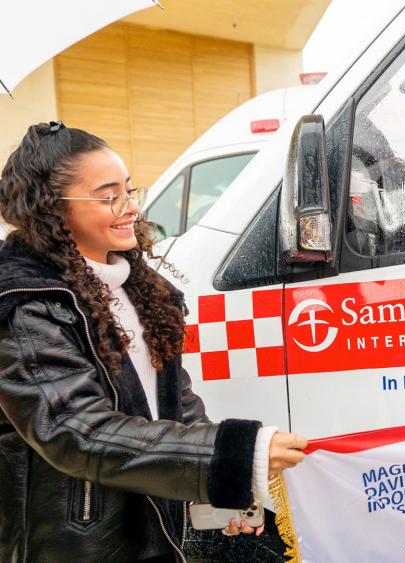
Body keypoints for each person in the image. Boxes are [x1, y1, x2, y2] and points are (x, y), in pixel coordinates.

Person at [0, 122, 308, 562]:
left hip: (155, 526)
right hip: (77, 545)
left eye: (130, 190)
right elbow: (75, 431)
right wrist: (233, 454)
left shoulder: (140, 286)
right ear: (51, 209)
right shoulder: (24, 305)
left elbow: (176, 404)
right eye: (110, 197)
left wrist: (219, 489)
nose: (131, 208)